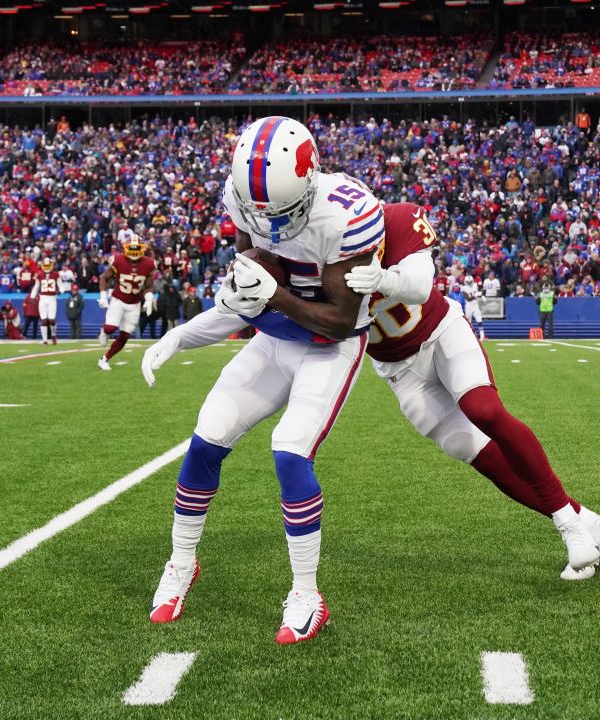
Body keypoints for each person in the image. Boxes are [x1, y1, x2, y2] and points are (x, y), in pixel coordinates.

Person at [145, 203, 600, 581]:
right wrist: (181, 335)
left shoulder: (396, 220)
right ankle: (584, 519)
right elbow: (247, 309)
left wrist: (385, 279)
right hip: (397, 370)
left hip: (440, 334)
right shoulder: (313, 255)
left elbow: (421, 283)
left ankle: (569, 525)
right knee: (474, 453)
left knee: (483, 408)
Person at [140, 117, 383, 645]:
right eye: (257, 214)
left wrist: (271, 293)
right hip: (274, 338)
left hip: (329, 347)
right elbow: (252, 284)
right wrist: (183, 334)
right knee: (206, 438)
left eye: (280, 212)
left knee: (289, 449)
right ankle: (182, 563)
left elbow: (339, 319)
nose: (267, 224)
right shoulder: (241, 197)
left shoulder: (347, 213)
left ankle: (306, 594)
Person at [97, 236, 155, 370]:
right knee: (110, 328)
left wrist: (149, 298)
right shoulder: (118, 260)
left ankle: (104, 359)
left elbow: (148, 286)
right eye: (132, 248)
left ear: (142, 249)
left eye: (137, 248)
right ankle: (104, 331)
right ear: (126, 248)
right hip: (118, 300)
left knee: (125, 336)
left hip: (134, 304)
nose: (134, 251)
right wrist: (103, 295)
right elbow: (104, 277)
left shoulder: (149, 264)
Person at [31, 257, 61, 345]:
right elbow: (36, 286)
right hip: (42, 298)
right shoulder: (39, 275)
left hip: (52, 298)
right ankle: (44, 340)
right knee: (43, 320)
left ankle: (53, 334)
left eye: (48, 265)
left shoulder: (56, 274)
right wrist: (32, 296)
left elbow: (60, 284)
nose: (47, 267)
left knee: (51, 319)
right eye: (45, 265)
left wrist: (61, 290)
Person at [461, 274, 485, 341]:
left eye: (470, 281)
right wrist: (475, 295)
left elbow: (479, 292)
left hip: (475, 306)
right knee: (468, 323)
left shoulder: (475, 285)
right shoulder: (463, 288)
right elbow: (468, 298)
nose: (469, 283)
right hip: (468, 307)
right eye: (468, 282)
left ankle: (482, 336)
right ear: (465, 281)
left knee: (479, 320)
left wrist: (481, 296)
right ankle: (469, 336)